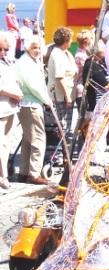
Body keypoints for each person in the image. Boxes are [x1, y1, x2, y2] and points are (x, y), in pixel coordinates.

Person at [15, 35, 52, 185]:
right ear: (28, 48)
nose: (37, 50)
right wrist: (47, 100)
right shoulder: (25, 63)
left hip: (28, 104)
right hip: (30, 104)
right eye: (34, 47)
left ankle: (24, 172)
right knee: (38, 139)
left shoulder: (30, 62)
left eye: (39, 48)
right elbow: (34, 86)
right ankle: (34, 173)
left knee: (28, 139)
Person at [47, 27, 77, 157]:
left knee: (67, 127)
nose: (71, 41)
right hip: (61, 96)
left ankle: (66, 153)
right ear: (66, 40)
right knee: (62, 126)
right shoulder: (57, 54)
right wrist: (67, 97)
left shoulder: (66, 53)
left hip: (69, 94)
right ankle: (59, 155)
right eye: (70, 39)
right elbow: (60, 77)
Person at [0, 31, 23, 189]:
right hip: (2, 107)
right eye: (0, 49)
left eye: (5, 49)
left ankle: (3, 174)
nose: (3, 52)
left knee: (6, 143)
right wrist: (13, 94)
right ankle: (3, 177)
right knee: (1, 143)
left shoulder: (7, 62)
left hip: (10, 108)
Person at [74, 29, 92, 111]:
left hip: (83, 88)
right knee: (84, 117)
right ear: (86, 42)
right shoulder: (81, 56)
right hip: (81, 88)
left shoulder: (84, 54)